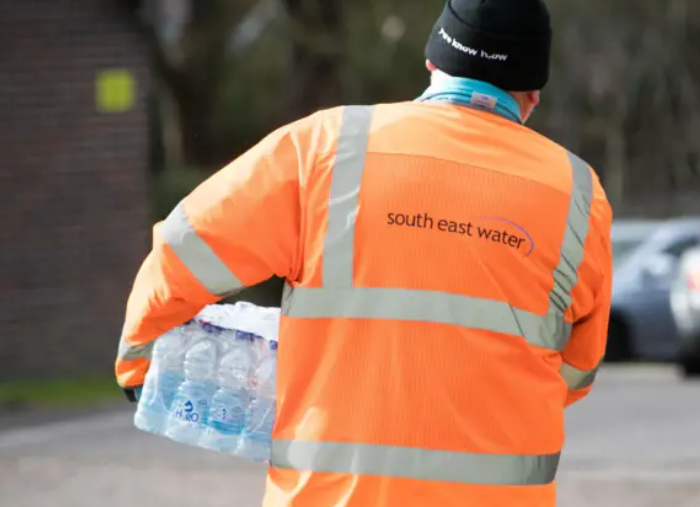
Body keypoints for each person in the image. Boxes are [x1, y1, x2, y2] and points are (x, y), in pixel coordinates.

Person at [114, 0, 613, 505]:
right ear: (532, 94)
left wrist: (139, 355)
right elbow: (575, 368)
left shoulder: (326, 146)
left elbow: (187, 247)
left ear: (432, 64)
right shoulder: (578, 194)